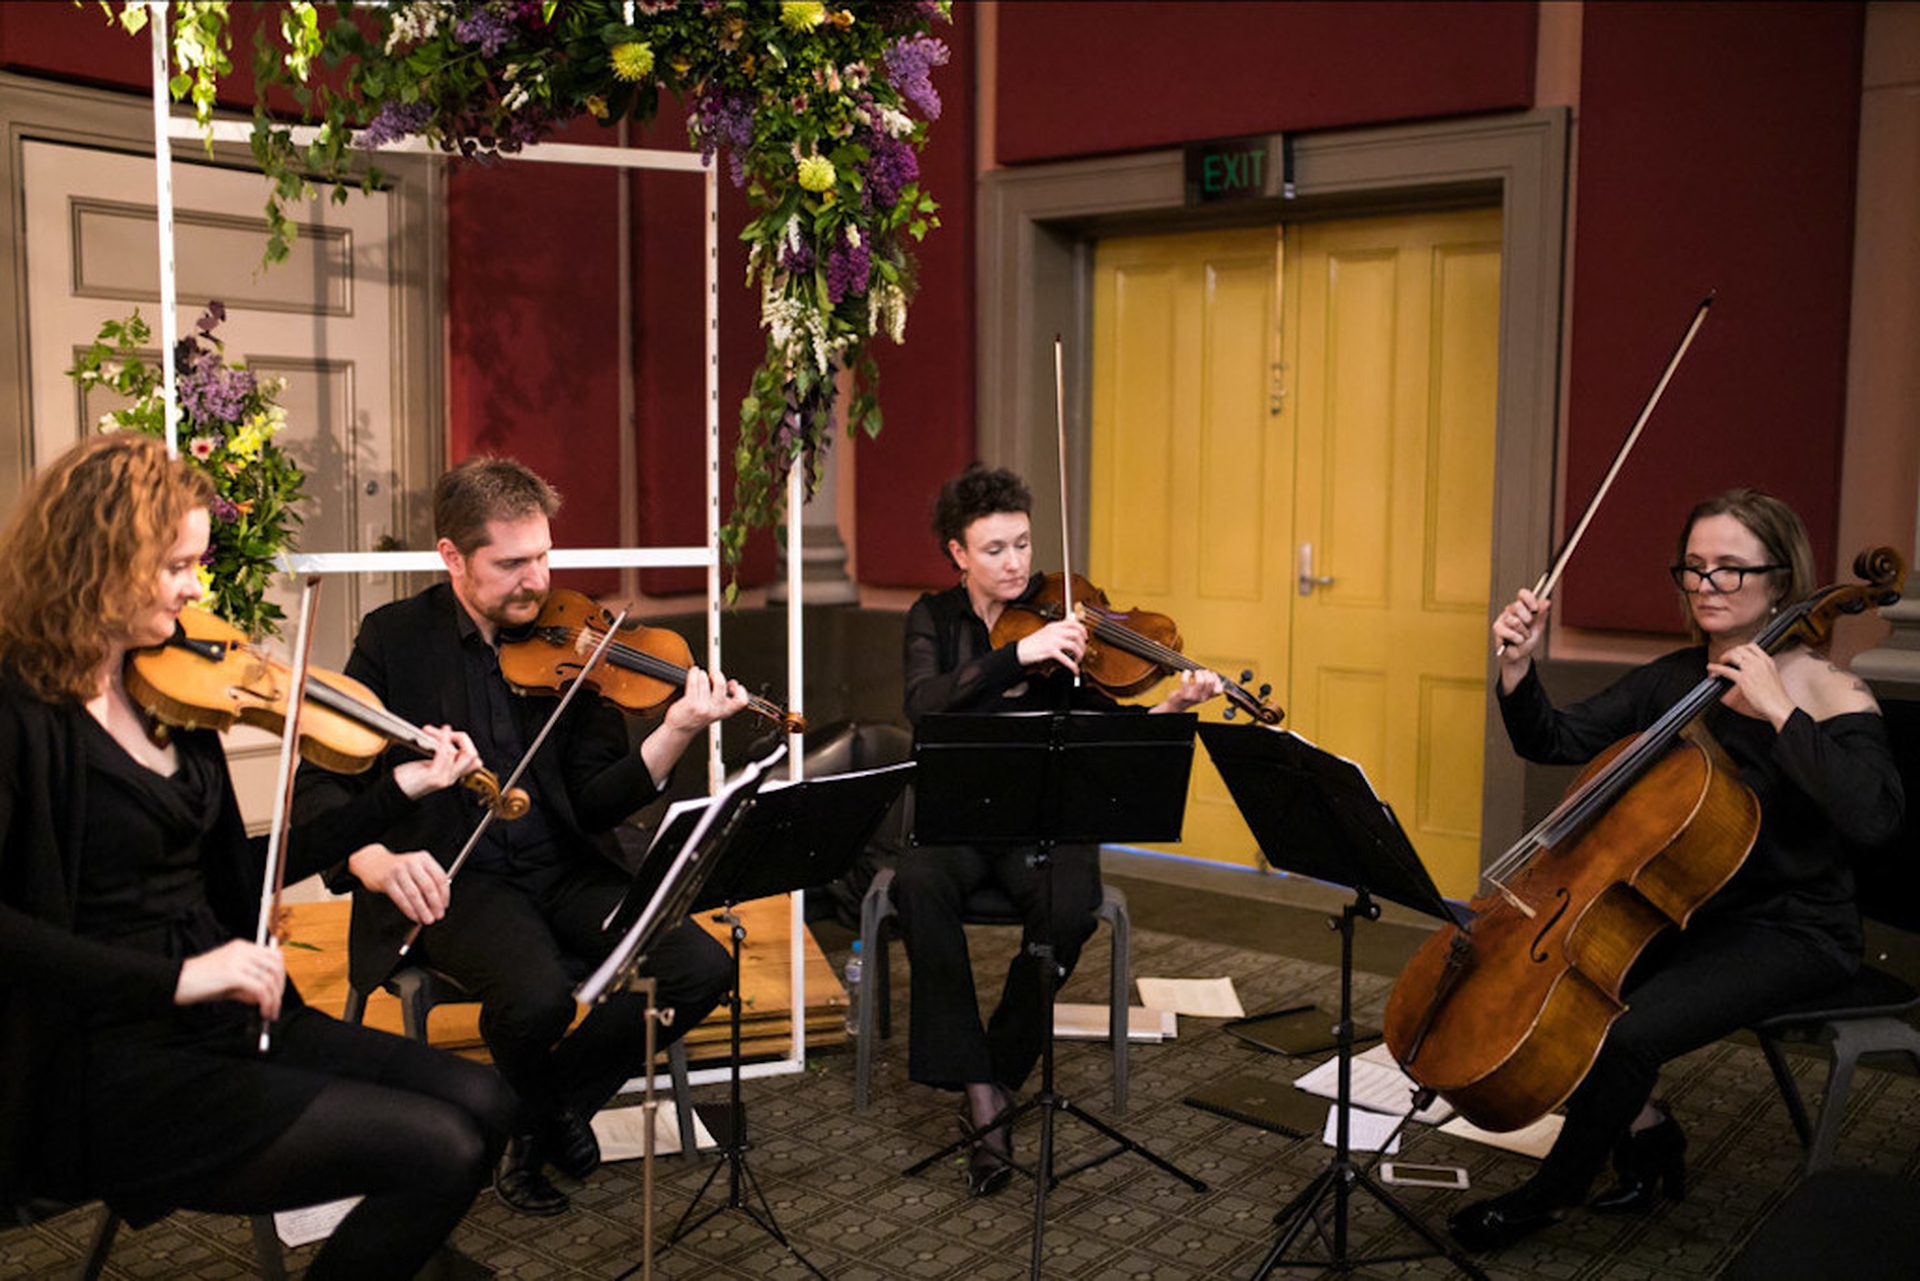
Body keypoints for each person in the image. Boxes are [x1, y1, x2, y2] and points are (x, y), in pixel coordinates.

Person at [0, 434, 515, 1278]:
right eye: (174, 565)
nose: (195, 588)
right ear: (93, 560)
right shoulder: (20, 709)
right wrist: (179, 978)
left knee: (487, 1102)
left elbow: (244, 877)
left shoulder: (170, 691)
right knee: (439, 1149)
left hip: (234, 1016)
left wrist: (399, 793)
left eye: (198, 562)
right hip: (109, 1059)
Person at [1451, 487, 1905, 1251]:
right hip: (1693, 909)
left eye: (1729, 568)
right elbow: (1554, 739)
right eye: (1693, 568)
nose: (1705, 585)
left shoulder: (1829, 688)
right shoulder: (1676, 679)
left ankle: (1550, 1195)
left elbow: (1877, 817)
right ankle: (1649, 1131)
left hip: (1796, 930)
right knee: (1574, 985)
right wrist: (1518, 667)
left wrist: (1780, 710)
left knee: (1628, 1033)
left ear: (1780, 579)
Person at [294, 455, 747, 1217]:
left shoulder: (577, 638)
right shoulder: (395, 639)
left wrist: (674, 731)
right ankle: (544, 1113)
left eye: (542, 555)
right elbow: (319, 780)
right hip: (457, 879)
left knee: (699, 963)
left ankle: (533, 1115)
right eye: (510, 564)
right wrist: (373, 860)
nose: (535, 581)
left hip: (565, 867)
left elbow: (600, 801)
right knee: (536, 998)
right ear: (452, 558)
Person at [896, 463, 1223, 1197]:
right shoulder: (932, 618)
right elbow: (923, 703)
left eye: (1022, 545)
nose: (1016, 565)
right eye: (994, 550)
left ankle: (992, 1074)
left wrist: (1173, 708)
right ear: (957, 554)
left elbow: (1113, 723)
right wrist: (1016, 655)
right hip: (955, 819)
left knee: (1070, 910)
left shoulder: (1070, 615)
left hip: (1042, 819)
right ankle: (986, 1097)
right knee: (918, 890)